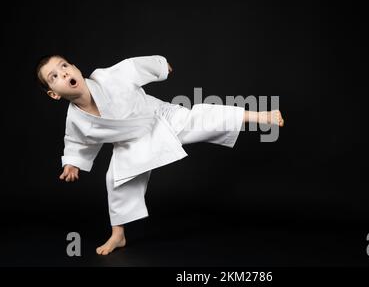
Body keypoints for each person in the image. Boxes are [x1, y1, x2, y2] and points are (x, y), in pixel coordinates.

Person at [36, 54, 284, 255]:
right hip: (130, 141)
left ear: (76, 68)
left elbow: (131, 67)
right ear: (54, 94)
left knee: (198, 118)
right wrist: (72, 164)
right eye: (54, 76)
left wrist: (159, 66)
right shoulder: (76, 119)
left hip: (158, 117)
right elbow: (76, 141)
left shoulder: (106, 77)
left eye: (65, 66)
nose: (64, 73)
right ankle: (118, 235)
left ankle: (260, 116)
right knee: (115, 180)